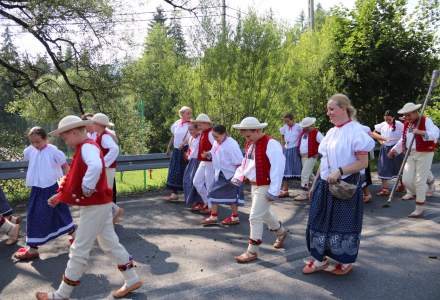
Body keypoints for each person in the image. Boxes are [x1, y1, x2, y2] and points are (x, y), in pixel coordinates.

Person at [35, 115, 142, 300]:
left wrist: (87, 187)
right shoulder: (84, 148)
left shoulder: (87, 147)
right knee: (109, 243)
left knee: (79, 249)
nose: (64, 139)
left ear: (75, 132)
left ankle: (61, 295)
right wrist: (62, 194)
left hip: (94, 206)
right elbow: (75, 177)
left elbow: (95, 166)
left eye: (65, 136)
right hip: (99, 204)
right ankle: (132, 279)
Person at [303, 94, 374, 276]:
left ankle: (344, 261)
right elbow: (324, 161)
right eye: (328, 109)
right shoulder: (331, 132)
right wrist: (314, 184)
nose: (328, 113)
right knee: (318, 221)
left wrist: (340, 171)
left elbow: (363, 163)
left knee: (342, 224)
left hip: (345, 186)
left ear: (344, 108)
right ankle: (320, 259)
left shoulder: (356, 131)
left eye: (331, 109)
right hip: (325, 184)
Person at [231, 117, 287, 263]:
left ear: (257, 130)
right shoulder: (251, 144)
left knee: (254, 217)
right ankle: (281, 232)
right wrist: (239, 176)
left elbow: (278, 167)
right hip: (255, 185)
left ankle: (252, 251)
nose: (246, 138)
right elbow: (246, 164)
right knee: (264, 213)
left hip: (265, 185)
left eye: (248, 135)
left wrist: (274, 191)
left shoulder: (271, 143)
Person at [14, 127, 75, 261]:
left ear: (46, 139)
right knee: (35, 214)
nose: (35, 145)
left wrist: (68, 183)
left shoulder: (54, 151)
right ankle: (33, 247)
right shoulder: (29, 151)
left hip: (51, 187)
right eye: (33, 142)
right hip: (37, 188)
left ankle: (74, 236)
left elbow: (65, 166)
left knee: (59, 211)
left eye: (38, 142)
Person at [389, 102, 439, 218]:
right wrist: (394, 150)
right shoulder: (407, 124)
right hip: (410, 153)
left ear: (415, 112)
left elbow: (436, 134)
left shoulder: (426, 120)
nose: (406, 118)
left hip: (425, 152)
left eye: (408, 115)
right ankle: (424, 189)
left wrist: (421, 132)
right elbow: (404, 139)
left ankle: (419, 207)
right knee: (406, 180)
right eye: (405, 115)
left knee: (419, 180)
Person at [201, 125, 244, 226]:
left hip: (231, 174)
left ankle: (215, 216)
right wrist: (208, 154)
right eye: (213, 136)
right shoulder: (217, 142)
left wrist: (239, 177)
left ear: (224, 134)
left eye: (216, 136)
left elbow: (239, 160)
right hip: (221, 173)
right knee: (230, 195)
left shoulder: (231, 144)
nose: (215, 139)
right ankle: (233, 217)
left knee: (214, 193)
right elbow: (214, 152)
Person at [91, 113, 124, 224]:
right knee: (101, 192)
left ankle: (112, 213)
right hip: (106, 168)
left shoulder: (104, 136)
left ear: (99, 124)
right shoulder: (100, 135)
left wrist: (103, 164)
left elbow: (114, 149)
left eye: (94, 123)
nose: (92, 125)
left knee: (102, 192)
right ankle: (112, 212)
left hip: (107, 169)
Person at [371, 110, 405, 196]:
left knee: (399, 167)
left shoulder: (399, 125)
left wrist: (401, 146)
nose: (387, 121)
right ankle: (385, 189)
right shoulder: (382, 125)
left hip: (396, 148)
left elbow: (405, 135)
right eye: (386, 119)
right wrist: (380, 141)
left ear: (393, 118)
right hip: (385, 148)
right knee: (383, 168)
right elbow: (373, 133)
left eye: (389, 119)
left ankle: (402, 185)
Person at [165, 106, 192, 201]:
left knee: (185, 171)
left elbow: (191, 136)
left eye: (190, 113)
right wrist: (169, 147)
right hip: (176, 150)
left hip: (185, 150)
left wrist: (184, 144)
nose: (190, 115)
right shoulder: (177, 123)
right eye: (188, 113)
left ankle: (188, 193)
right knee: (173, 171)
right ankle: (174, 193)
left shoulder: (191, 124)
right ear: (182, 114)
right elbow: (173, 136)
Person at [295, 117, 324, 201]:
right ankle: (317, 187)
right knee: (309, 174)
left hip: (311, 156)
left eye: (305, 126)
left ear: (310, 125)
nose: (303, 128)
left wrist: (318, 152)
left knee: (304, 174)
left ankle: (304, 194)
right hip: (303, 157)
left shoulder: (316, 133)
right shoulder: (303, 133)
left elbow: (324, 142)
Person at [192, 113, 216, 215]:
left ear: (207, 124)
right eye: (198, 123)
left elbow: (217, 147)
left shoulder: (211, 133)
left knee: (210, 185)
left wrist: (209, 154)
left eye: (200, 123)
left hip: (210, 162)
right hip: (204, 161)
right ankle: (207, 202)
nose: (198, 125)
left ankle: (211, 207)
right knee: (196, 182)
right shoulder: (203, 133)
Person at [279, 113, 302, 197]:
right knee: (285, 168)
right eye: (285, 121)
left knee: (298, 168)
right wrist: (282, 145)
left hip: (296, 149)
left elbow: (303, 136)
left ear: (292, 120)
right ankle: (285, 190)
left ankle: (305, 190)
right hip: (287, 149)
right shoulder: (285, 127)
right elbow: (282, 136)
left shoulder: (298, 127)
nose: (286, 123)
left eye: (288, 121)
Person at [182, 122, 203, 210]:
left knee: (197, 182)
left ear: (197, 130)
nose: (190, 131)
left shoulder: (200, 138)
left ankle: (200, 202)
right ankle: (193, 201)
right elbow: (190, 149)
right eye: (189, 130)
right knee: (187, 180)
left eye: (191, 129)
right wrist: (187, 154)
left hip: (198, 161)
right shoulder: (191, 138)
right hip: (191, 161)